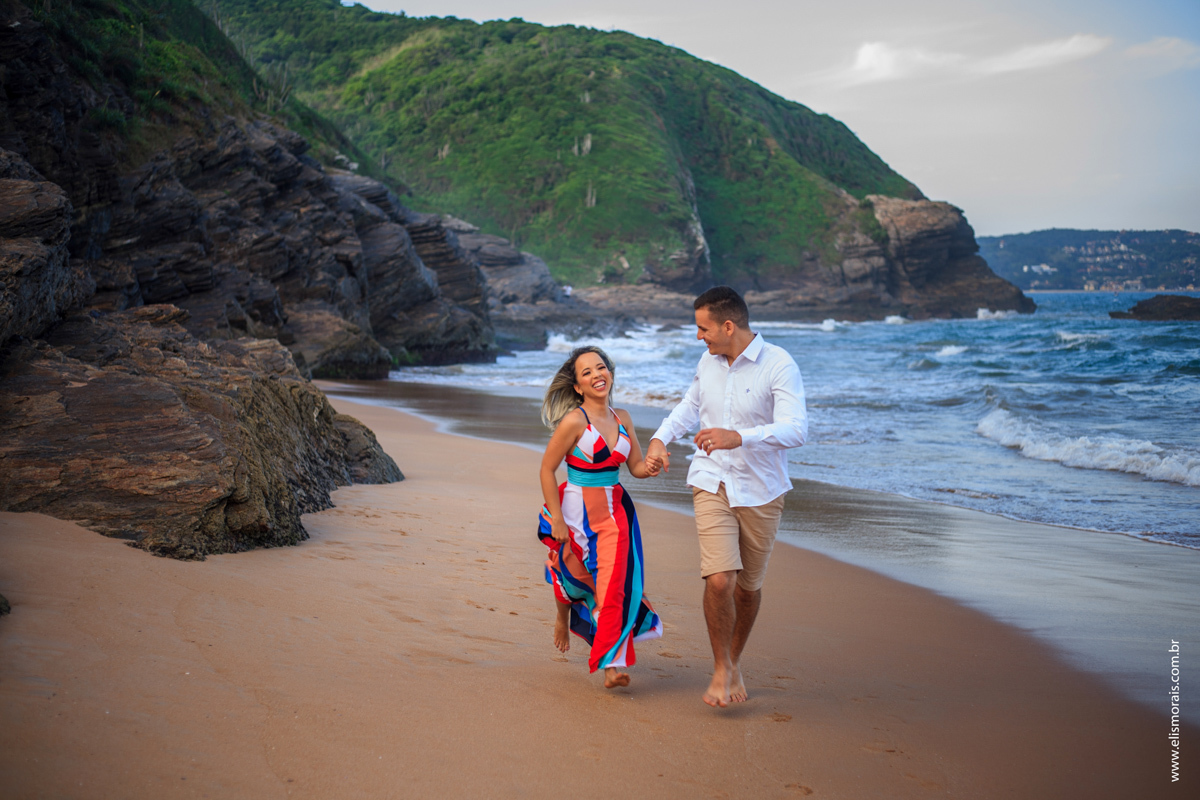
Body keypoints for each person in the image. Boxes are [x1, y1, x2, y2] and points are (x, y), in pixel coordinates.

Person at [644, 286, 807, 708]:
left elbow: (796, 429)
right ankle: (720, 667)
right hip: (711, 478)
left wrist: (740, 437)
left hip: (761, 490)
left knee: (747, 588)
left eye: (704, 329)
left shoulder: (779, 364)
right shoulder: (708, 362)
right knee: (719, 579)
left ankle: (734, 660)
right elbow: (689, 405)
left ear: (728, 326)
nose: (699, 337)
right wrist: (660, 438)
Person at [537, 345, 665, 689]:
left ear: (610, 373)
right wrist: (557, 518)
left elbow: (635, 467)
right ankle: (562, 617)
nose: (597, 375)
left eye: (601, 367)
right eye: (587, 372)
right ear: (578, 386)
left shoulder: (623, 418)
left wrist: (652, 465)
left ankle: (611, 663)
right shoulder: (575, 421)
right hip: (576, 513)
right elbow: (547, 469)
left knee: (612, 585)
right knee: (573, 573)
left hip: (616, 514)